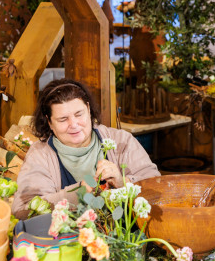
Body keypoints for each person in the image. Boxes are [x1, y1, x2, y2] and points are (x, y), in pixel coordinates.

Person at [12, 78, 160, 220]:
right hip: (69, 243)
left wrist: (123, 182)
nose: (74, 124)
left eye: (79, 114)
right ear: (49, 122)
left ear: (88, 109)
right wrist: (76, 194)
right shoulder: (40, 155)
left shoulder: (121, 141)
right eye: (63, 119)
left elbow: (158, 186)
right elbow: (22, 209)